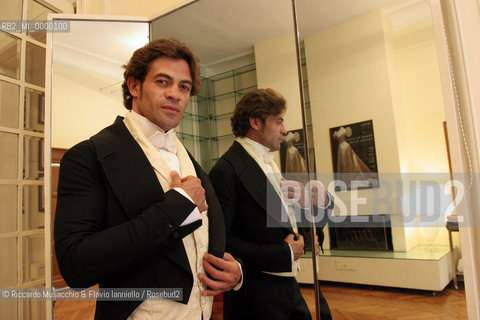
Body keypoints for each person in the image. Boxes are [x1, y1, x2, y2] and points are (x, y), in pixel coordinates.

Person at [54, 38, 242, 320]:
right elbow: (75, 265)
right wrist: (178, 204)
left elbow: (202, 242)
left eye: (184, 87)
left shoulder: (190, 159)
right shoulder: (88, 156)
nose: (175, 94)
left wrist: (235, 271)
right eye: (163, 82)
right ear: (134, 86)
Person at [209, 88, 332, 320]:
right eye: (279, 122)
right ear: (255, 122)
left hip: (286, 286)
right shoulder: (225, 170)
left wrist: (306, 235)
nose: (284, 130)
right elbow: (220, 241)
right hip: (253, 296)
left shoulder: (270, 165)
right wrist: (281, 252)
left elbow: (277, 222)